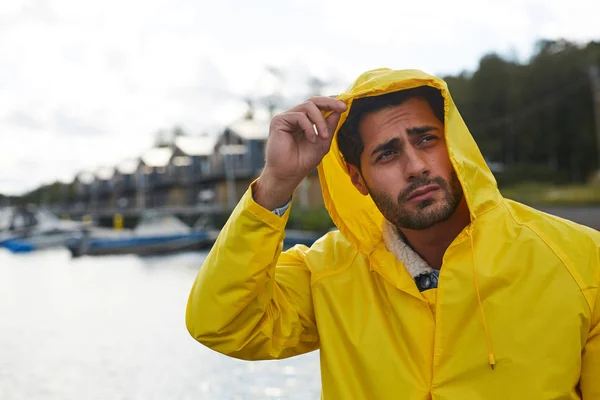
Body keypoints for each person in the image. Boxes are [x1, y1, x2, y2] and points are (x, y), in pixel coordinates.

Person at [186, 68, 600, 399]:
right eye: (387, 153)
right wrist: (276, 183)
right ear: (357, 178)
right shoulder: (327, 272)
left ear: (454, 144)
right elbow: (221, 323)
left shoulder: (581, 260)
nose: (416, 165)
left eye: (426, 139)